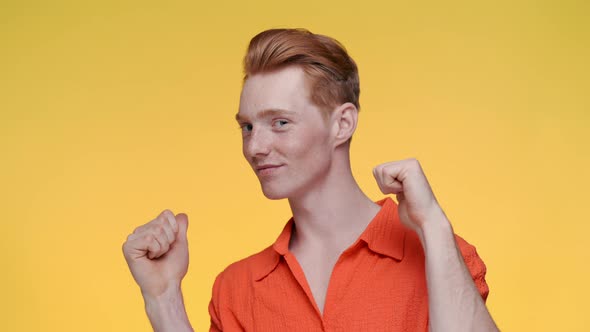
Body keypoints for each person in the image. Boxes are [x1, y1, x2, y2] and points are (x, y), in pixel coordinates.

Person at [123, 28, 499, 331]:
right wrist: (163, 298)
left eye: (280, 123)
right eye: (247, 126)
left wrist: (432, 224)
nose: (255, 146)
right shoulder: (237, 289)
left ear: (342, 123)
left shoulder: (441, 254)